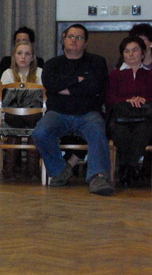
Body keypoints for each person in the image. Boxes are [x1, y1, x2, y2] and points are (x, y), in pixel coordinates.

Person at [32, 24, 113, 196]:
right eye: (71, 37)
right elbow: (51, 85)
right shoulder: (52, 64)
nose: (74, 40)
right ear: (64, 40)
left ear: (86, 43)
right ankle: (60, 171)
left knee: (98, 131)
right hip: (57, 113)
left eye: (79, 37)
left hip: (88, 113)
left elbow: (95, 87)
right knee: (40, 133)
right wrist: (78, 80)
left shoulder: (97, 62)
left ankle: (99, 177)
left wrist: (65, 87)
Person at [106, 36, 152, 186]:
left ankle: (127, 168)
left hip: (144, 118)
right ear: (122, 55)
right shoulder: (115, 75)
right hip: (120, 118)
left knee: (142, 130)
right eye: (127, 51)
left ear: (143, 53)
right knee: (120, 131)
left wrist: (143, 99)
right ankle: (132, 169)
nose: (131, 54)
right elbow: (109, 98)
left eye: (135, 50)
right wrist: (127, 100)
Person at [0, 38, 42, 180]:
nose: (23, 57)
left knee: (36, 125)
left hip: (34, 115)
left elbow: (43, 100)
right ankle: (9, 170)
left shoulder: (40, 73)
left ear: (32, 57)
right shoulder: (7, 74)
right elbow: (4, 101)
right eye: (19, 53)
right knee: (14, 122)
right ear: (14, 56)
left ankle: (33, 170)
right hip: (13, 115)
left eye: (27, 54)